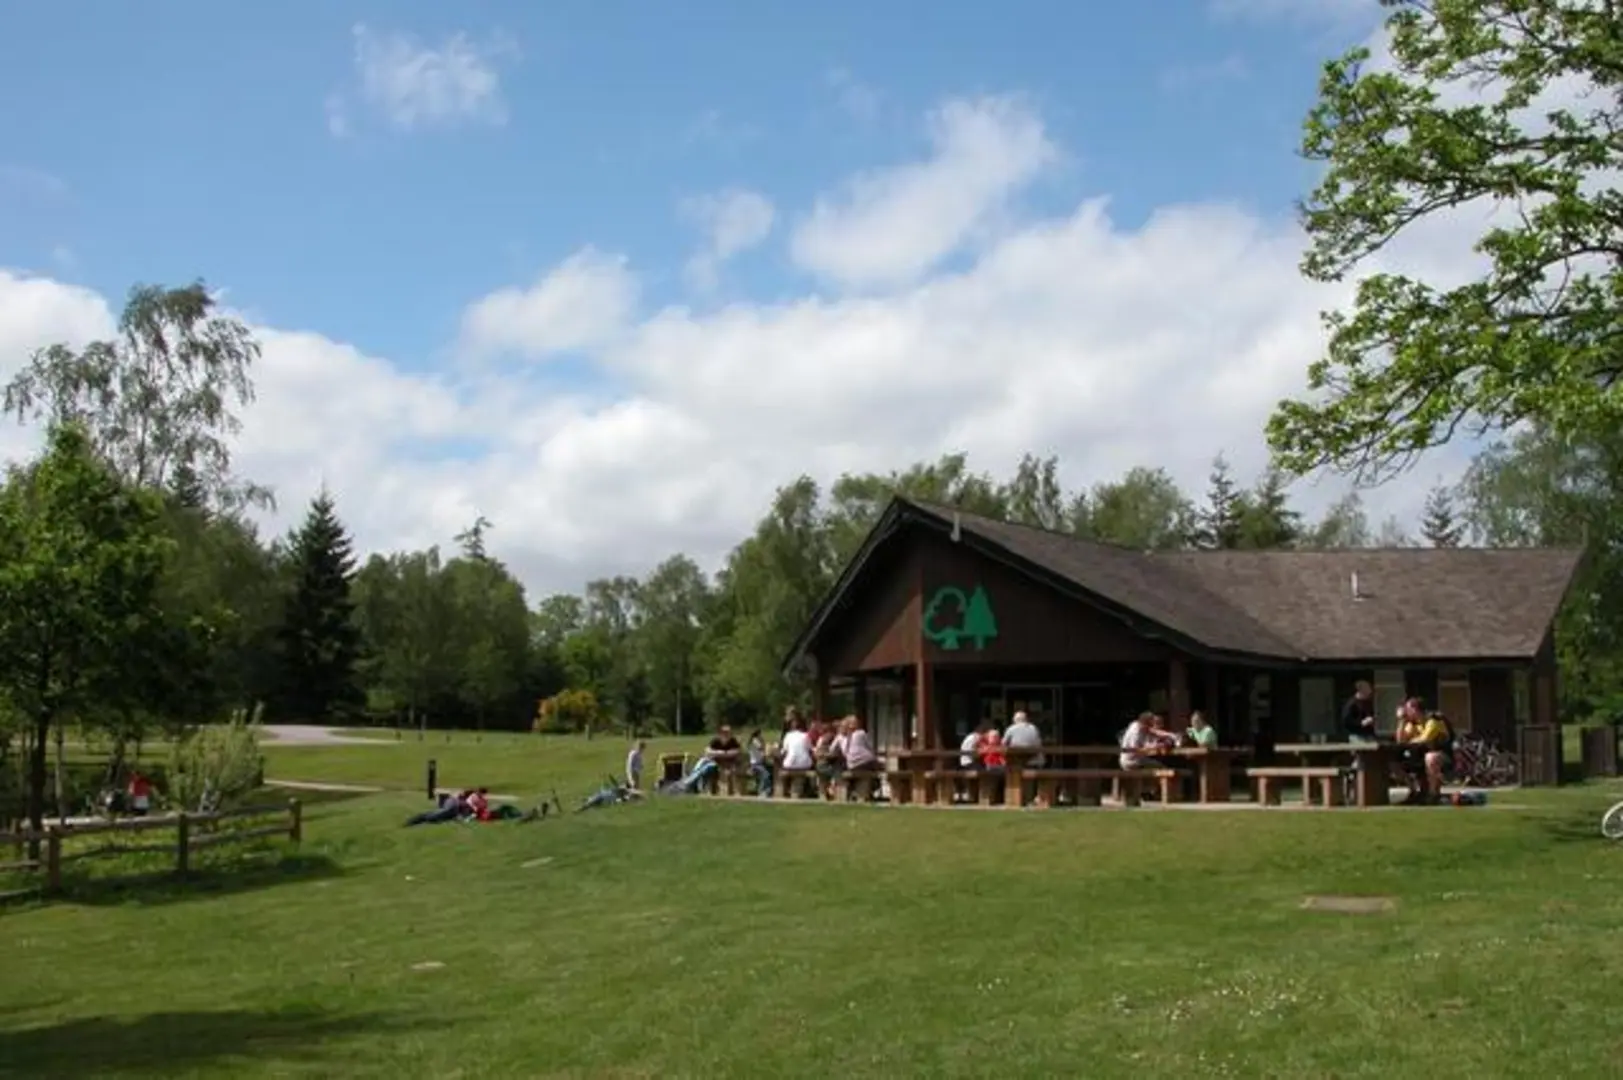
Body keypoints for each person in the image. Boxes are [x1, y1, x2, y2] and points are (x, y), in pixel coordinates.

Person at [779, 714, 815, 797]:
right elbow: (811, 749)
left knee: (785, 769)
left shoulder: (788, 735)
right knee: (801, 773)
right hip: (804, 764)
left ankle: (790, 792)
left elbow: (784, 751)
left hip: (790, 764)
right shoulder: (805, 735)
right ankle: (798, 792)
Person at [746, 729, 772, 797]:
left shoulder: (755, 741)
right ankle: (762, 792)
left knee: (770, 770)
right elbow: (762, 749)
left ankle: (767, 790)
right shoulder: (755, 741)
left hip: (759, 763)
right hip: (755, 764)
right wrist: (764, 743)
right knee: (766, 775)